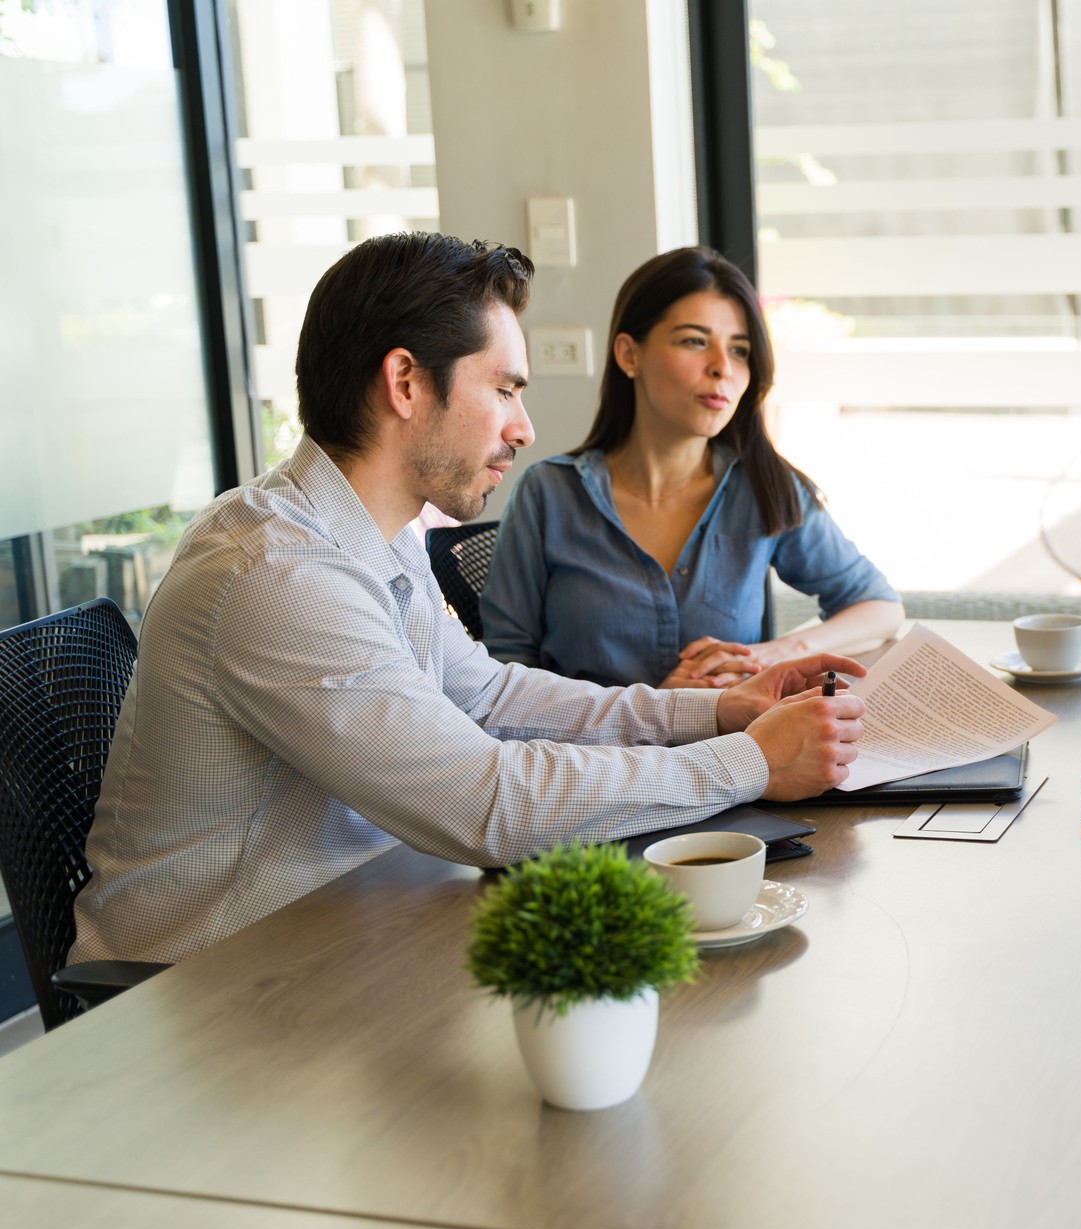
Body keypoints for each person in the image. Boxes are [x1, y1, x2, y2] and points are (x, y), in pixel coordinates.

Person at [72, 233, 868, 966]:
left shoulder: (370, 536)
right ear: (407, 383)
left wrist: (718, 715)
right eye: (505, 389)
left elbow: (490, 696)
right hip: (203, 992)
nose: (524, 428)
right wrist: (753, 761)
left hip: (345, 935)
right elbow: (487, 806)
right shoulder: (276, 576)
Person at [480, 246, 903, 689]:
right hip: (592, 757)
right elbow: (506, 673)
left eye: (739, 351)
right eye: (694, 341)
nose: (723, 368)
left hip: (735, 756)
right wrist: (658, 710)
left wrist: (772, 655)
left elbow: (880, 607)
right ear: (629, 355)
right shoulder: (548, 493)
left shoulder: (762, 487)